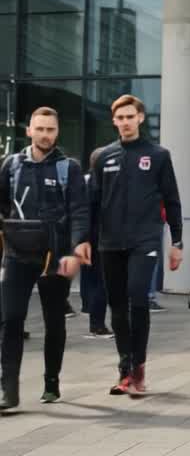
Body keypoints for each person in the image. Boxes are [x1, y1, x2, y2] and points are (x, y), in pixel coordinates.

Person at [90, 94, 183, 396]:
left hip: (145, 240)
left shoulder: (158, 155)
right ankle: (124, 369)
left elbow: (172, 200)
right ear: (114, 121)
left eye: (131, 116)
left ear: (141, 118)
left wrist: (177, 241)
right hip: (110, 243)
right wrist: (82, 242)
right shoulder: (103, 156)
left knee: (137, 299)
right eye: (121, 118)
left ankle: (138, 370)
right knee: (117, 306)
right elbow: (92, 203)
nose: (126, 122)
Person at [0, 107, 90, 408]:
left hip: (55, 256)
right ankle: (8, 391)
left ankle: (51, 383)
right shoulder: (11, 165)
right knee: (11, 319)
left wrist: (77, 248)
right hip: (17, 255)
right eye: (39, 129)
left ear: (57, 132)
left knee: (54, 321)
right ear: (29, 131)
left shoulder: (69, 168)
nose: (45, 135)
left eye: (50, 130)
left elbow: (79, 210)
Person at [80, 146, 112, 338]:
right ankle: (97, 323)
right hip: (101, 237)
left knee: (90, 277)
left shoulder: (85, 180)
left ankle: (89, 309)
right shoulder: (101, 183)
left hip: (87, 237)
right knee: (102, 280)